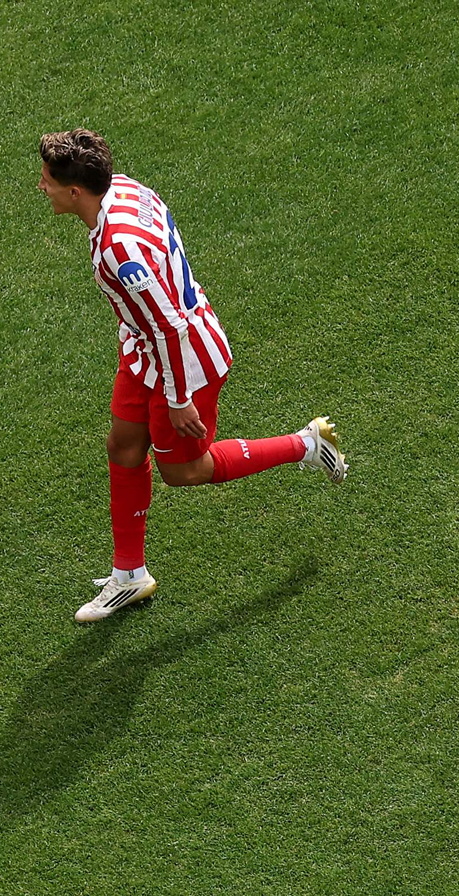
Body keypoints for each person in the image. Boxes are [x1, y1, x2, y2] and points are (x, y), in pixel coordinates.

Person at [36, 130, 347, 622]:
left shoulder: (120, 251)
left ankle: (305, 444)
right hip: (147, 348)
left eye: (48, 180)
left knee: (185, 471)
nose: (42, 187)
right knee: (122, 446)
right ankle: (129, 576)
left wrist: (178, 397)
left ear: (77, 191)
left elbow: (170, 326)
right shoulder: (123, 187)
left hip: (181, 358)